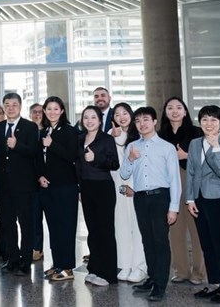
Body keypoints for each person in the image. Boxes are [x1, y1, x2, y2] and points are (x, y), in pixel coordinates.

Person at [120, 106, 181, 302]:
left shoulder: (166, 147)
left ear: (154, 121)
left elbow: (175, 180)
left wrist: (173, 208)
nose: (142, 124)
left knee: (160, 242)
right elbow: (123, 174)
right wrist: (130, 159)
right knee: (147, 240)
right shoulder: (131, 146)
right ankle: (152, 278)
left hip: (159, 197)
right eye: (138, 121)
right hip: (140, 198)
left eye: (146, 119)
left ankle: (160, 285)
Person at [186, 105, 220, 304]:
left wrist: (215, 146)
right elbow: (191, 172)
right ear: (200, 122)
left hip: (218, 200)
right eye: (205, 119)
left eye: (213, 120)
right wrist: (190, 199)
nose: (208, 124)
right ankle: (214, 283)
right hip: (199, 199)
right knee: (206, 245)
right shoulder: (194, 144)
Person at [159, 96, 206, 285]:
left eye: (179, 107)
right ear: (165, 112)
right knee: (175, 229)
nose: (174, 111)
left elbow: (205, 159)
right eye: (170, 108)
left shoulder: (196, 132)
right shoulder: (161, 135)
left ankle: (199, 273)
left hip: (190, 180)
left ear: (185, 112)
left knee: (196, 230)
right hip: (169, 183)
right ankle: (181, 270)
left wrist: (185, 156)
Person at [0, 92, 39, 275]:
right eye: (7, 105)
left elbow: (34, 151)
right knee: (7, 223)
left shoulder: (30, 126)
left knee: (25, 223)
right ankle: (12, 259)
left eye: (14, 105)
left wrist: (17, 145)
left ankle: (25, 262)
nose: (10, 108)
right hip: (3, 186)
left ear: (20, 107)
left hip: (23, 185)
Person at [77, 106, 119, 286]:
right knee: (92, 231)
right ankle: (95, 268)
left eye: (93, 117)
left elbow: (114, 164)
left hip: (103, 187)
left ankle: (108, 274)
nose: (89, 121)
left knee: (105, 230)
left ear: (100, 120)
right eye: (86, 117)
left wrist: (96, 159)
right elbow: (77, 165)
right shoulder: (79, 139)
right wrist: (79, 187)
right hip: (86, 187)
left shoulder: (107, 139)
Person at [38, 96, 78, 282]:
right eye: (49, 109)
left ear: (62, 111)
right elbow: (39, 159)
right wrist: (40, 175)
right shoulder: (44, 131)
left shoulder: (69, 131)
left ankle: (68, 267)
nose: (52, 112)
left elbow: (72, 156)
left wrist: (52, 145)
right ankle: (58, 264)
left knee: (66, 227)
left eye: (56, 109)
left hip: (66, 187)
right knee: (53, 228)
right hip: (47, 187)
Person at [108, 102, 146, 283]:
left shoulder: (139, 136)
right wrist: (112, 138)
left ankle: (140, 267)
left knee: (137, 227)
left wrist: (135, 188)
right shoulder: (110, 135)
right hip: (116, 186)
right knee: (121, 226)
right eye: (117, 114)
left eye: (124, 113)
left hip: (134, 185)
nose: (121, 117)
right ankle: (125, 264)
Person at [28, 102, 45, 262]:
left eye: (40, 112)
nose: (37, 115)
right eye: (34, 112)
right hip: (33, 182)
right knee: (35, 217)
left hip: (50, 181)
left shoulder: (49, 132)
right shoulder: (28, 132)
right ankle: (37, 248)